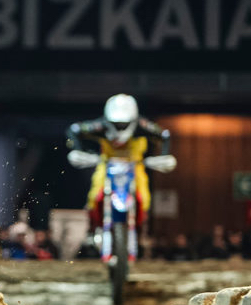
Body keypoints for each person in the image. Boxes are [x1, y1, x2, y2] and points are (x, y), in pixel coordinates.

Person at [66, 94, 177, 229]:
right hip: (107, 165)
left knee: (144, 196)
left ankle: (142, 223)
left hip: (134, 166)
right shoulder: (100, 125)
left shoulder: (142, 125)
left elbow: (164, 135)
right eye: (116, 124)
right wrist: (77, 150)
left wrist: (164, 156)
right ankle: (93, 223)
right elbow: (74, 130)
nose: (120, 128)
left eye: (124, 124)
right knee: (95, 192)